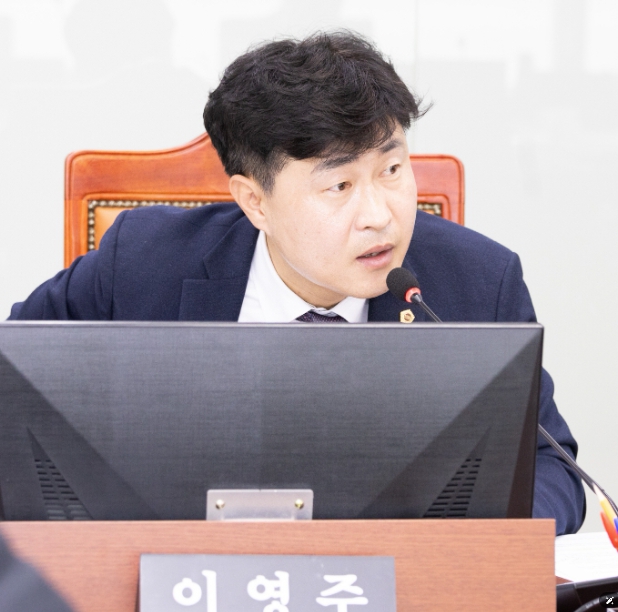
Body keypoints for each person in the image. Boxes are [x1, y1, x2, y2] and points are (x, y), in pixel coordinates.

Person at [9, 31, 585, 534]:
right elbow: (15, 390)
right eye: (339, 186)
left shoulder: (478, 283)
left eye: (391, 170)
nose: (379, 216)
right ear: (254, 201)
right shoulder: (143, 261)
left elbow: (551, 469)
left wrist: (457, 541)